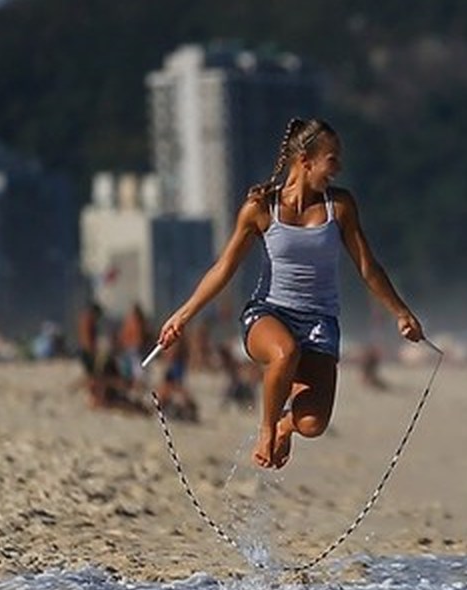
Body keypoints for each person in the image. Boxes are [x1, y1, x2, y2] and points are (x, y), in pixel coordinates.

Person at [154, 117, 424, 470]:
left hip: (320, 322)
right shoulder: (261, 208)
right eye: (332, 159)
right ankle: (266, 429)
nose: (338, 168)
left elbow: (367, 266)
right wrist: (182, 316)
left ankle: (285, 423)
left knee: (313, 424)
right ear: (306, 160)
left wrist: (401, 313)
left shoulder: (339, 207)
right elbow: (224, 269)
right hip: (268, 313)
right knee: (285, 351)